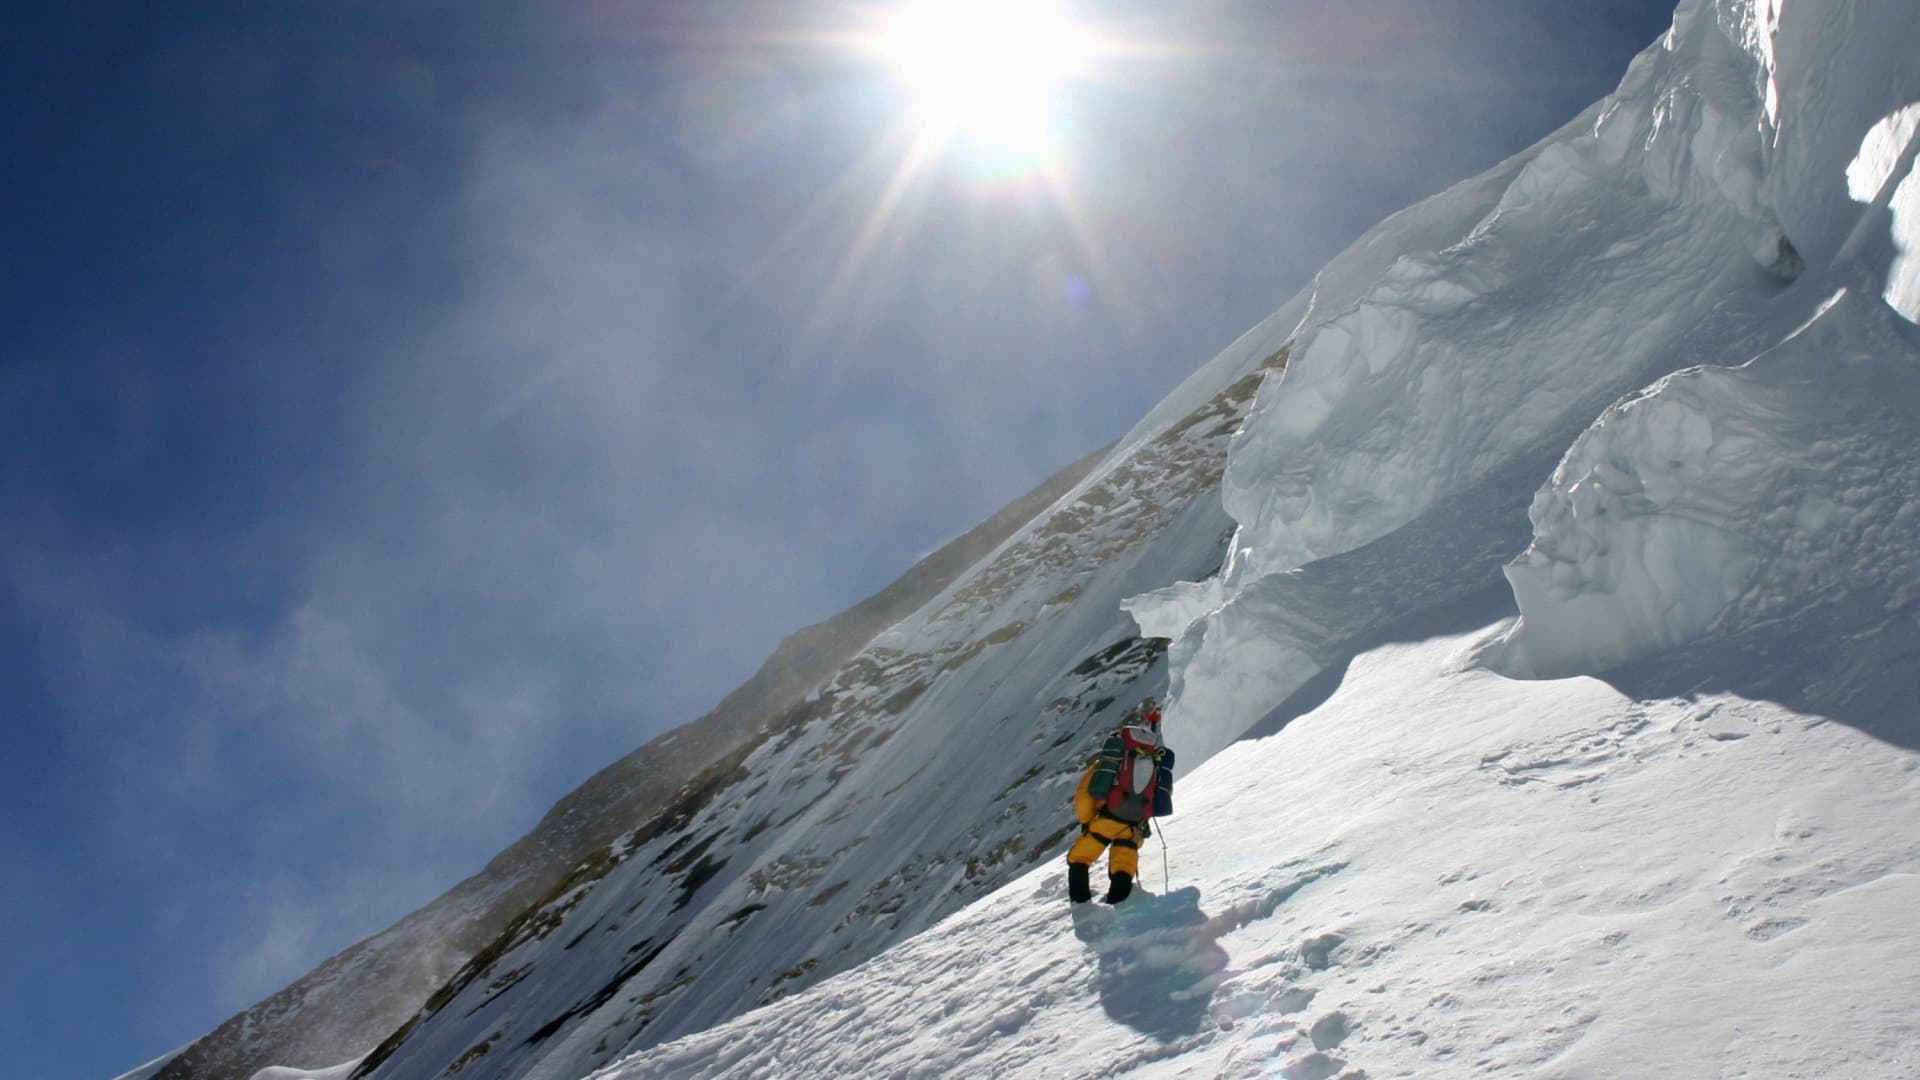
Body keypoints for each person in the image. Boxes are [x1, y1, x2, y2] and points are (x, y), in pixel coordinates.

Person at [1067, 696, 1175, 904]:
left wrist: (1087, 821)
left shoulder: (1111, 763)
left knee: (1079, 859)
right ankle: (1120, 904)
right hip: (1134, 826)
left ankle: (1081, 905)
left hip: (1107, 818)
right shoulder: (1154, 764)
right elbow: (1162, 793)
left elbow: (1085, 794)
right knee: (1123, 864)